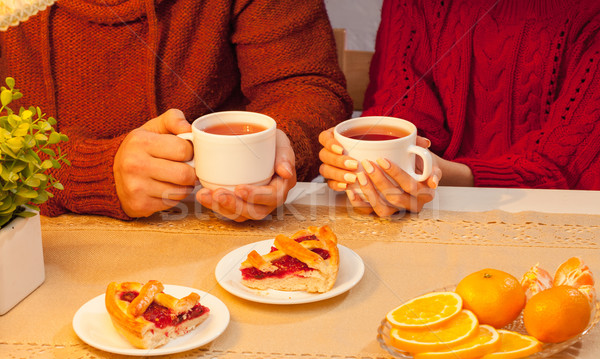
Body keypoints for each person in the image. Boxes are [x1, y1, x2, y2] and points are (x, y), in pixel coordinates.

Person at [0, 0, 352, 222]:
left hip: (218, 229)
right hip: (31, 245)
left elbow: (307, 86)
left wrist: (284, 145)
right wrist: (90, 172)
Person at [319, 0, 600, 217]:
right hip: (427, 209)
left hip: (556, 216)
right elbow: (402, 102)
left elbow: (569, 165)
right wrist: (382, 166)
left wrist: (442, 174)